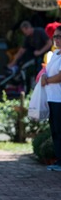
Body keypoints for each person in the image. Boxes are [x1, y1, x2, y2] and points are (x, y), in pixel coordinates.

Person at [40, 28, 61, 171]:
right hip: (52, 97)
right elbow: (47, 72)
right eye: (55, 37)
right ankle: (59, 160)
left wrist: (47, 80)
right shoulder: (55, 54)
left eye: (60, 36)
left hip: (60, 99)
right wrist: (43, 77)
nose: (57, 39)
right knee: (55, 131)